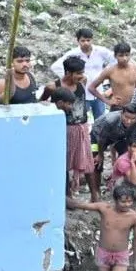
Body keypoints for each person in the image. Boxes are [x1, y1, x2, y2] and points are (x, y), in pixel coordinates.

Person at [67, 183, 136, 271]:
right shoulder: (104, 208)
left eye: (130, 201)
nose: (127, 205)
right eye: (123, 202)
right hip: (104, 253)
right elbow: (81, 205)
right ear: (115, 200)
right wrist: (62, 198)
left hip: (121, 254)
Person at [41, 57, 94, 196]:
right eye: (78, 73)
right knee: (64, 163)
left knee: (86, 161)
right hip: (64, 129)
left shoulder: (82, 82)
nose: (81, 76)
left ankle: (94, 194)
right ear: (68, 72)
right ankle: (65, 194)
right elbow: (41, 102)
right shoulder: (53, 87)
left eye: (82, 72)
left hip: (81, 126)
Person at [51, 28, 116, 121]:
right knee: (80, 119)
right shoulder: (74, 53)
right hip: (81, 92)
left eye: (88, 40)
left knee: (101, 120)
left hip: (98, 91)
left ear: (92, 40)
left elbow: (115, 60)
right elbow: (56, 66)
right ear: (77, 41)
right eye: (83, 40)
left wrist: (106, 74)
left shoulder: (101, 51)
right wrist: (69, 79)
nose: (86, 43)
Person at [90, 103, 136, 195]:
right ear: (122, 113)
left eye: (132, 119)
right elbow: (101, 139)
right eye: (126, 117)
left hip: (118, 136)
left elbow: (131, 136)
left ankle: (121, 186)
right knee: (97, 163)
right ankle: (96, 192)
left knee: (127, 159)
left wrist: (130, 152)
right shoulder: (110, 121)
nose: (129, 121)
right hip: (97, 137)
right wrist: (100, 155)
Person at [87, 42, 136, 110]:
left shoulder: (135, 68)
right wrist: (107, 101)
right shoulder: (110, 71)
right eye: (121, 55)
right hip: (117, 107)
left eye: (127, 55)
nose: (124, 58)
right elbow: (91, 88)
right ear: (115, 56)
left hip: (132, 107)